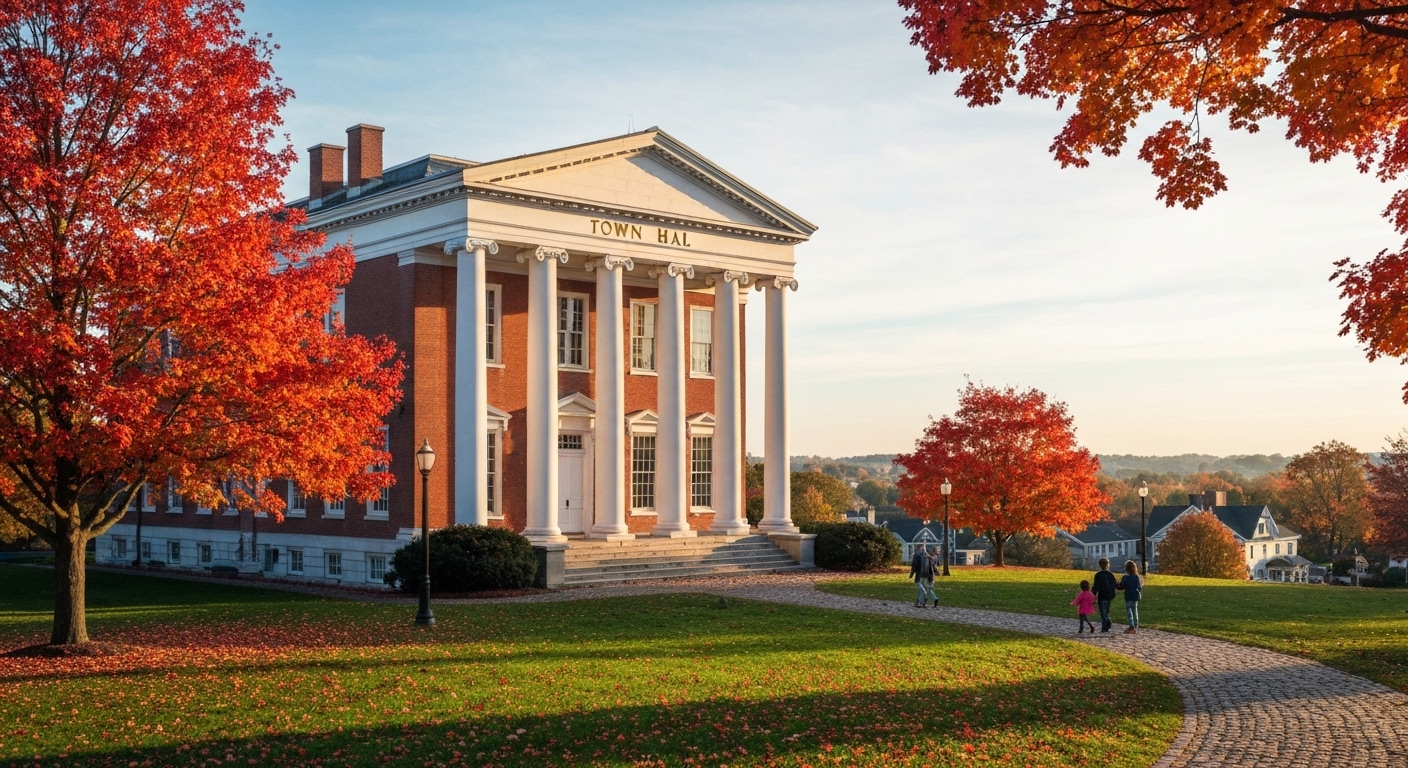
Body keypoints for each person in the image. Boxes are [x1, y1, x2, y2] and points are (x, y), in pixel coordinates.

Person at [1116, 559, 1142, 634]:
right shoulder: (1136, 577)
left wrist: (1115, 585)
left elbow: (1121, 586)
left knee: (1129, 611)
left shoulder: (1125, 577)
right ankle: (1136, 626)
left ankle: (1131, 625)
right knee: (1135, 610)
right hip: (1135, 596)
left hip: (1128, 596)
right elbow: (1139, 587)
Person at [1092, 557, 1117, 633]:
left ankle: (1105, 626)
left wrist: (1093, 595)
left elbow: (1095, 586)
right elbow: (1114, 584)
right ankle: (1106, 625)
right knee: (1106, 611)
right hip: (1109, 596)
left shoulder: (1098, 575)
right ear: (1108, 565)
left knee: (1103, 612)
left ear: (1100, 565)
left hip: (1102, 596)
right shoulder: (1110, 574)